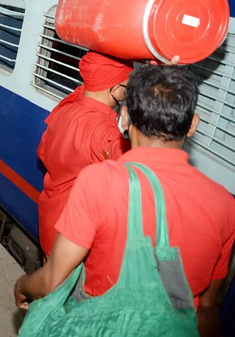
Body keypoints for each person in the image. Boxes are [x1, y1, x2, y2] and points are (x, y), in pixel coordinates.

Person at [14, 65, 235, 336]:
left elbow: (52, 281)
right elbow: (209, 309)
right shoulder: (225, 204)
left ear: (126, 117)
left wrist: (22, 286)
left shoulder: (100, 181)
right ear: (192, 125)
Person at [37, 51, 133, 256]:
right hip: (74, 238)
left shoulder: (67, 108)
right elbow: (132, 172)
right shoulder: (104, 129)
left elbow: (43, 152)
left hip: (50, 219)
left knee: (50, 283)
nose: (126, 95)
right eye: (127, 88)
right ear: (114, 88)